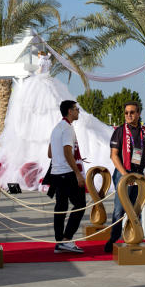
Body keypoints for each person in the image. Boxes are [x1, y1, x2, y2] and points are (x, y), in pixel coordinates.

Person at [0, 49, 112, 190]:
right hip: (40, 84)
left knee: (50, 107)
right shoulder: (35, 79)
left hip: (45, 83)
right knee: (39, 109)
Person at [103, 101, 145, 254]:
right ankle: (113, 239)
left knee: (137, 209)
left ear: (138, 114)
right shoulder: (119, 131)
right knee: (119, 210)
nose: (129, 115)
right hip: (123, 174)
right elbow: (113, 156)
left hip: (139, 175)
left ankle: (135, 238)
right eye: (126, 113)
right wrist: (125, 175)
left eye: (132, 112)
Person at [47, 100, 87, 254]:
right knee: (80, 204)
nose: (78, 112)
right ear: (70, 111)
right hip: (67, 173)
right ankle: (66, 239)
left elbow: (50, 153)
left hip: (56, 174)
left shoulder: (56, 128)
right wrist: (77, 173)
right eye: (76, 109)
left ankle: (59, 242)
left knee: (61, 208)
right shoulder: (68, 129)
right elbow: (67, 151)